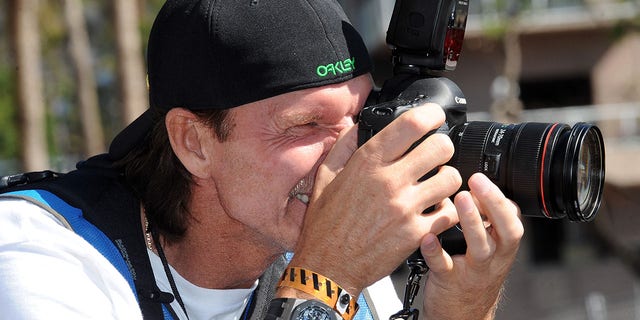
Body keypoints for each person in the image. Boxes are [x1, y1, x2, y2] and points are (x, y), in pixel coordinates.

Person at [0, 0, 524, 319]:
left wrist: (458, 312)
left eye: (363, 119)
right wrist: (325, 282)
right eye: (307, 125)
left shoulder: (320, 246)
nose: (355, 156)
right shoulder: (38, 260)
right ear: (194, 142)